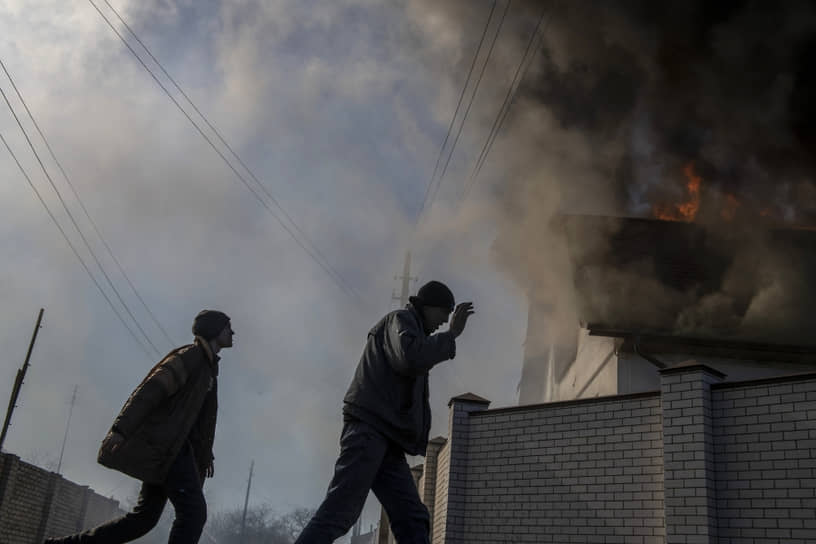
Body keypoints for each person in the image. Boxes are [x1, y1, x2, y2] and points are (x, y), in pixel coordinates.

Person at [295, 281, 474, 544]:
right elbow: (410, 358)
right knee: (340, 511)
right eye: (443, 314)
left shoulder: (414, 332)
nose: (444, 322)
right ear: (428, 307)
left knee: (413, 518)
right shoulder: (399, 321)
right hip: (369, 430)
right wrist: (451, 336)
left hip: (385, 438)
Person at [45, 310, 234, 544]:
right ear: (215, 330)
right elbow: (151, 391)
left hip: (171, 452)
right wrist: (120, 430)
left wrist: (206, 455)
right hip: (168, 449)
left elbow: (197, 421)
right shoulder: (191, 357)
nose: (232, 332)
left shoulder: (208, 368)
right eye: (228, 327)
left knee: (144, 519)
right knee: (194, 514)